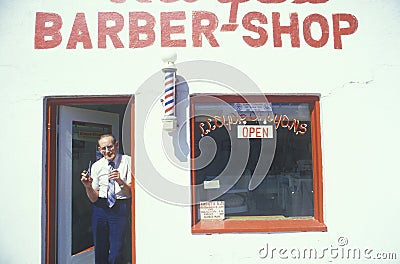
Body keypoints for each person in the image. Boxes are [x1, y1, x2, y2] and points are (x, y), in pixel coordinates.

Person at [81, 134, 132, 264]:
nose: (107, 151)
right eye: (103, 148)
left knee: (117, 251)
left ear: (116, 145)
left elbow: (131, 192)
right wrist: (88, 187)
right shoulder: (97, 166)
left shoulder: (127, 161)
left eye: (110, 147)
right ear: (99, 149)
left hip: (120, 208)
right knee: (100, 249)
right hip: (100, 208)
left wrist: (120, 181)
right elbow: (93, 198)